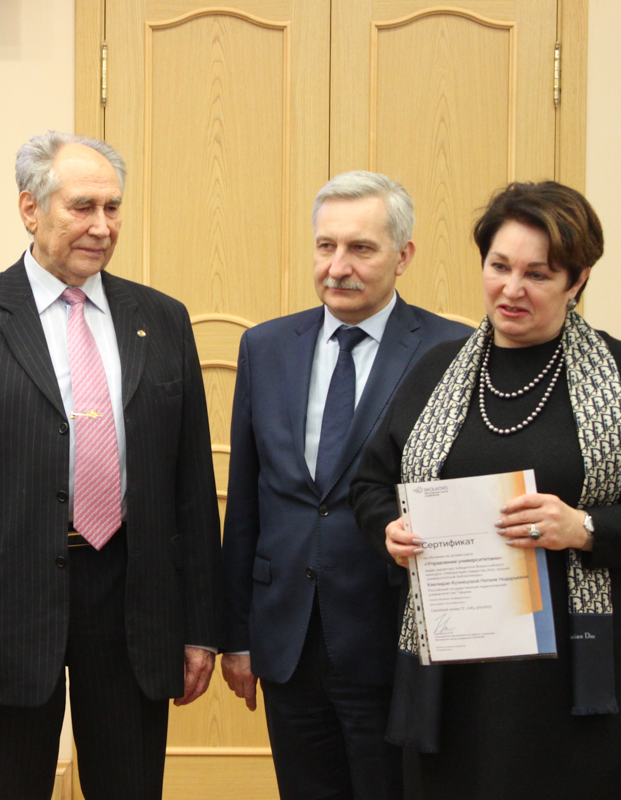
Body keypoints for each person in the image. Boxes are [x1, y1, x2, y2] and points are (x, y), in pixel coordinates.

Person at [0, 131, 223, 800]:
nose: (102, 227)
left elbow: (191, 486)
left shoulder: (162, 319)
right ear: (30, 208)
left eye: (112, 207)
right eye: (82, 207)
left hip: (133, 601)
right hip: (5, 606)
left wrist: (202, 628)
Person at [350, 181, 621, 799]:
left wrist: (584, 527)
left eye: (538, 274)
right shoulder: (435, 370)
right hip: (456, 666)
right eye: (500, 266)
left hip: (579, 672)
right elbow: (372, 482)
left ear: (578, 280)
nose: (511, 289)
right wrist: (390, 530)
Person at [220, 171, 470, 799]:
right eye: (326, 246)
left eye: (361, 248)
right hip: (287, 638)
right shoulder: (266, 346)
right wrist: (237, 636)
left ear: (403, 256)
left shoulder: (452, 351)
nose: (338, 267)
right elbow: (246, 501)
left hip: (392, 637)